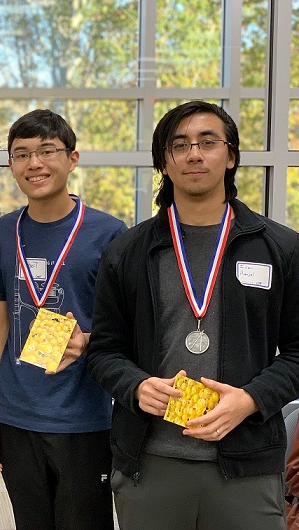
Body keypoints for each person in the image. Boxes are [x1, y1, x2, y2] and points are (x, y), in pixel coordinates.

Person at [87, 100, 299, 530]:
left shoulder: (280, 249)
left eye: (208, 142)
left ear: (231, 155)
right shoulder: (128, 252)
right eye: (179, 145)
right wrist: (136, 385)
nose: (194, 154)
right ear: (164, 162)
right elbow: (103, 351)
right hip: (150, 463)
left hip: (247, 465)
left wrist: (251, 399)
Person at [0, 109, 126, 529]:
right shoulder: (0, 234)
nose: (34, 163)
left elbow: (126, 328)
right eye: (21, 154)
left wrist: (90, 339)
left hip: (85, 416)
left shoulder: (108, 233)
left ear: (72, 159)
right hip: (15, 416)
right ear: (11, 165)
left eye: (46, 151)